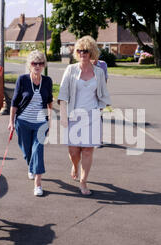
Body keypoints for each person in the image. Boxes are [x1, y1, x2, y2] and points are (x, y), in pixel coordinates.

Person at [58, 36, 111, 196]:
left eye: (86, 51)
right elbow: (62, 93)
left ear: (92, 52)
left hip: (92, 116)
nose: (82, 53)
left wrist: (99, 111)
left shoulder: (99, 72)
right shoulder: (71, 70)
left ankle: (83, 181)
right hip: (73, 115)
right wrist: (63, 115)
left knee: (88, 151)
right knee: (74, 151)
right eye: (80, 50)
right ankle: (75, 166)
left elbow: (103, 94)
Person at [8, 50, 53, 196]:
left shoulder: (47, 81)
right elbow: (14, 102)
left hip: (40, 123)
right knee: (27, 152)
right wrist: (11, 121)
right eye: (34, 63)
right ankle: (31, 167)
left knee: (38, 151)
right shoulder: (22, 80)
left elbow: (49, 102)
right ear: (29, 65)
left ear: (44, 65)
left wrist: (50, 120)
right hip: (23, 122)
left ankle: (38, 184)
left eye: (40, 63)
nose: (37, 66)